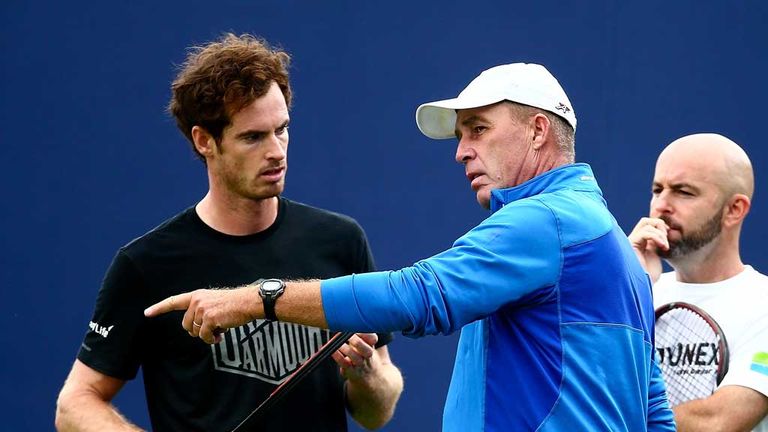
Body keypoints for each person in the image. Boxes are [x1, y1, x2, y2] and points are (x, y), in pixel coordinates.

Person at [146, 62, 676, 430]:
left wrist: (257, 297)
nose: (462, 151)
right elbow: (654, 411)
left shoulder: (546, 220)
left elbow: (420, 295)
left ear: (538, 131)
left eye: (478, 129)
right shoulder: (612, 245)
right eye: (461, 136)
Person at [55, 33, 403, 432]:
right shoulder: (146, 265)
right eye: (253, 137)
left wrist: (366, 376)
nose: (276, 151)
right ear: (205, 141)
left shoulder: (340, 241)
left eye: (282, 129)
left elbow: (376, 413)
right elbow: (76, 404)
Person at [629, 133, 768, 432]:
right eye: (657, 189)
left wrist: (614, 415)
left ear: (735, 210)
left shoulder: (763, 305)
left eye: (684, 192)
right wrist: (629, 284)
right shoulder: (636, 293)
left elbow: (718, 422)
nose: (662, 205)